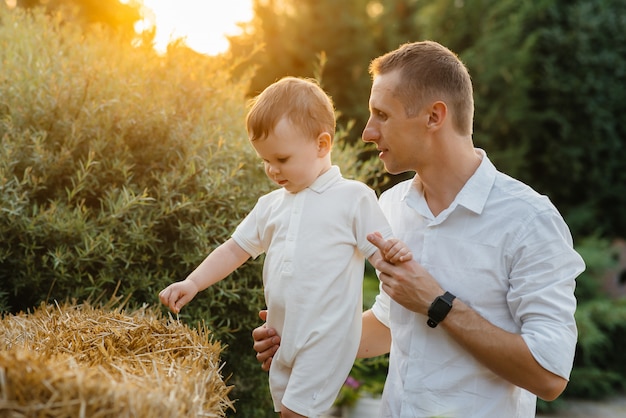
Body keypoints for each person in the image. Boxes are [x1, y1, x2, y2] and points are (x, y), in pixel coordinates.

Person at [252, 41, 586, 417]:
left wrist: (437, 303)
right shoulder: (390, 207)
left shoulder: (529, 220)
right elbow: (388, 324)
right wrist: (302, 337)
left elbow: (549, 375)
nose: (367, 132)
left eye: (381, 114)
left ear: (434, 116)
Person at [159, 76, 412, 418]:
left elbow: (383, 253)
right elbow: (236, 249)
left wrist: (394, 254)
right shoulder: (270, 205)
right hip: (280, 337)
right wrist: (193, 282)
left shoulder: (352, 198)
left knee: (296, 414)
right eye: (265, 160)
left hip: (326, 337)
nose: (271, 170)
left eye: (281, 158)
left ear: (322, 145)